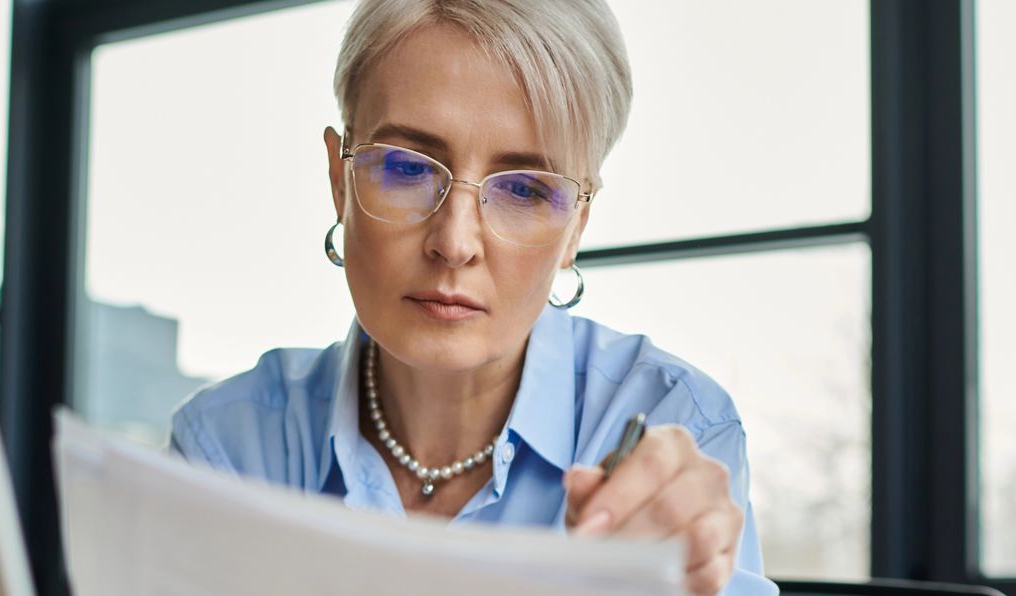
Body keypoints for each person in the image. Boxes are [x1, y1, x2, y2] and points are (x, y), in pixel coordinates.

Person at [171, 1, 773, 593]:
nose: (455, 243)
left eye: (525, 190)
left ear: (577, 228)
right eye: (407, 168)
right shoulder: (228, 450)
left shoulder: (676, 428)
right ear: (339, 180)